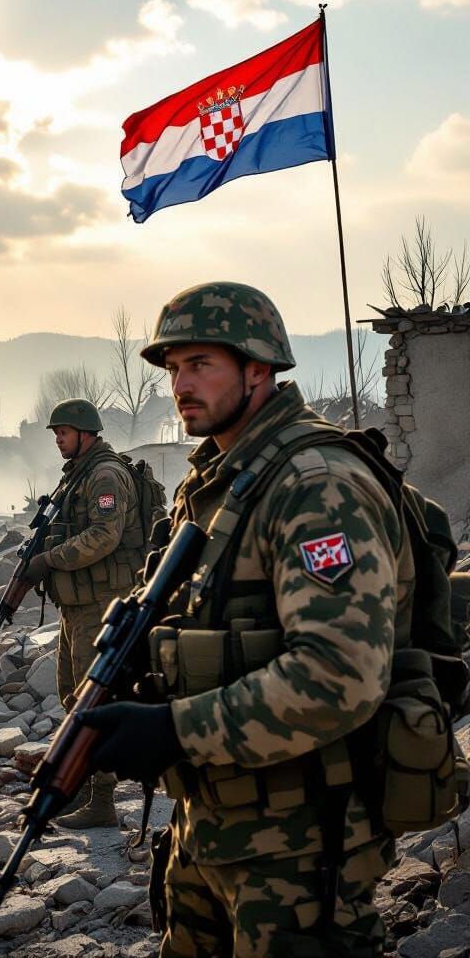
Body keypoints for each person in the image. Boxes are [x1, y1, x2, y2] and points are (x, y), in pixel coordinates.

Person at [78, 282, 412, 957]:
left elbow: (339, 674)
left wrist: (175, 729)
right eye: (172, 369)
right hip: (213, 819)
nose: (180, 384)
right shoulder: (214, 481)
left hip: (303, 841)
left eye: (200, 363)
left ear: (259, 368)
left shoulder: (316, 483)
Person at [21, 399, 147, 829]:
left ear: (86, 434)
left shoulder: (104, 474)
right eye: (56, 433)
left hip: (103, 604)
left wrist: (50, 559)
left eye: (64, 432)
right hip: (79, 605)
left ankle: (104, 802)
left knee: (95, 701)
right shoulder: (78, 474)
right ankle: (86, 789)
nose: (57, 439)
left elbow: (103, 537)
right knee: (72, 696)